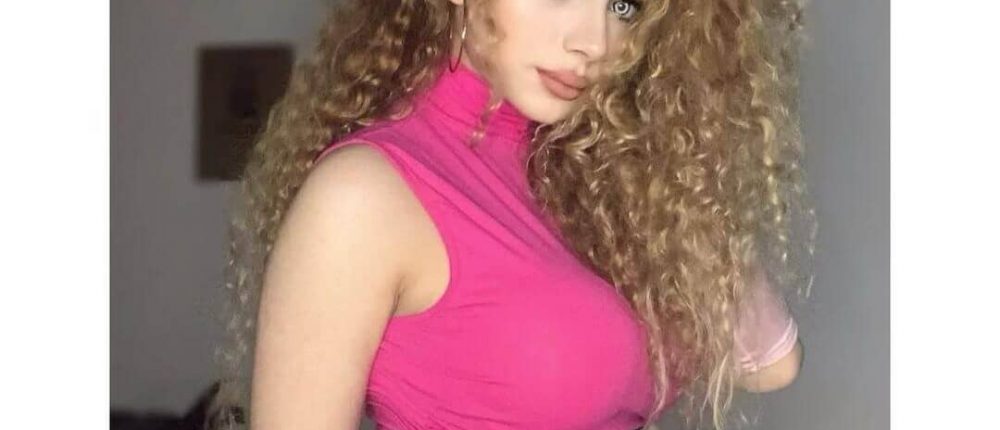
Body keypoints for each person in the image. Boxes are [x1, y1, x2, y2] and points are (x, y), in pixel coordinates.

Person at [209, 0, 818, 429]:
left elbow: (770, 363)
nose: (594, 41)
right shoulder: (363, 196)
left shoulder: (590, 183)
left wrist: (666, 155)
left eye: (624, 5)